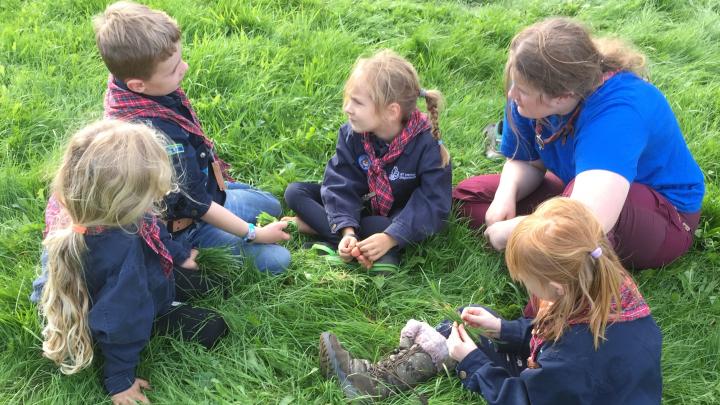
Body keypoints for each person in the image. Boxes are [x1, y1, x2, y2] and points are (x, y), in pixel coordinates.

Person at [319, 198, 662, 404]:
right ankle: (388, 373)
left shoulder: (577, 357)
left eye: (528, 283)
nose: (527, 288)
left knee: (461, 345)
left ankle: (373, 383)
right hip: (581, 388)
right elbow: (553, 335)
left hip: (564, 393)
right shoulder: (601, 289)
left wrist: (474, 362)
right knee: (460, 329)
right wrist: (504, 329)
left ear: (556, 287)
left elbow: (522, 399)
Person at [452, 17, 704, 270]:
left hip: (659, 213)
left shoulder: (621, 110)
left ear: (563, 96)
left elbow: (586, 221)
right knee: (470, 198)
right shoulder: (527, 98)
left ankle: (555, 294)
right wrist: (505, 197)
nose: (512, 94)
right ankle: (549, 237)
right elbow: (527, 161)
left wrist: (512, 231)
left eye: (523, 89)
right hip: (578, 188)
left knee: (574, 233)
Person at [36, 120, 228, 405]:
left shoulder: (84, 209)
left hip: (124, 285)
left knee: (216, 285)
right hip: (116, 307)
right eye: (153, 191)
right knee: (214, 327)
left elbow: (154, 228)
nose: (160, 195)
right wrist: (120, 379)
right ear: (125, 202)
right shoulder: (121, 255)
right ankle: (163, 312)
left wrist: (179, 255)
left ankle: (168, 292)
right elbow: (120, 322)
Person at [94, 1, 290, 274]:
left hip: (200, 191)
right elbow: (196, 204)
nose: (184, 68)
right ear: (138, 84)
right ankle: (220, 230)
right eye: (173, 69)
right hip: (184, 226)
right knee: (278, 260)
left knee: (271, 204)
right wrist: (255, 234)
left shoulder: (132, 93)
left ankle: (229, 204)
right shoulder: (154, 138)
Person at [283, 49, 452, 272]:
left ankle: (326, 234)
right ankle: (351, 243)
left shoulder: (427, 144)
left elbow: (432, 202)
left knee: (381, 225)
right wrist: (348, 231)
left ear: (391, 112)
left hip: (394, 219)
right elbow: (340, 183)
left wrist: (390, 237)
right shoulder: (352, 134)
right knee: (295, 192)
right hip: (363, 206)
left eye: (357, 103)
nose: (347, 109)